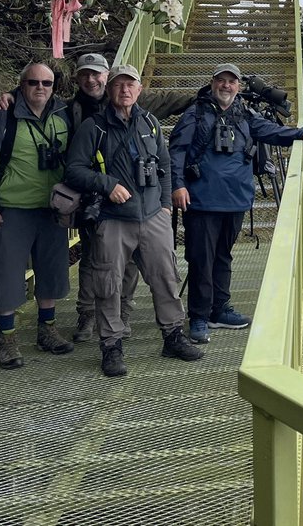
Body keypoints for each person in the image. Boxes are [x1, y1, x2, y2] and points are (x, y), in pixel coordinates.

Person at [0, 52, 196, 342]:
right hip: (93, 200)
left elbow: (168, 110)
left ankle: (124, 315)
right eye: (85, 74)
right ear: (78, 78)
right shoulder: (68, 109)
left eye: (97, 73)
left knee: (133, 264)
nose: (91, 79)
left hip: (142, 206)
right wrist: (12, 96)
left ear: (109, 77)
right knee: (95, 259)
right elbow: (37, 95)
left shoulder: (143, 113)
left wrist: (206, 95)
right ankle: (89, 316)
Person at [64, 64, 203, 377]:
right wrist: (107, 184)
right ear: (109, 89)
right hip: (113, 219)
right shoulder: (94, 127)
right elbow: (73, 170)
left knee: (166, 277)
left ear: (140, 90)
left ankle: (173, 336)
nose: (125, 90)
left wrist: (165, 205)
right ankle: (111, 345)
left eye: (131, 84)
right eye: (118, 84)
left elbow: (164, 164)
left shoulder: (150, 123)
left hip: (153, 216)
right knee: (108, 283)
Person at [169, 63, 303, 344]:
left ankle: (219, 309)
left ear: (238, 86)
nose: (226, 86)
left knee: (223, 256)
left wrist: (300, 133)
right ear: (212, 82)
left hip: (235, 200)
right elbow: (176, 151)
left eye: (232, 81)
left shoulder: (245, 114)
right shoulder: (195, 114)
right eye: (221, 80)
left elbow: (272, 131)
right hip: (201, 201)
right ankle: (199, 316)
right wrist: (178, 185)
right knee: (201, 259)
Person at [0, 61, 74, 368]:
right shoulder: (4, 115)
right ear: (21, 85)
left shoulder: (63, 113)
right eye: (33, 82)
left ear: (54, 86)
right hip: (13, 208)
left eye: (46, 83)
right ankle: (7, 340)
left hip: (53, 208)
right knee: (6, 274)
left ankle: (47, 330)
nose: (40, 88)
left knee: (51, 271)